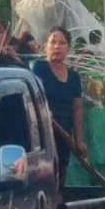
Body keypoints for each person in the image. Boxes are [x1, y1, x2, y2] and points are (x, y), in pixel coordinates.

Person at [32, 27, 87, 187]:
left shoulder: (74, 76)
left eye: (62, 43)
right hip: (43, 133)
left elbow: (77, 109)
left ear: (68, 48)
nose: (57, 47)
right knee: (44, 177)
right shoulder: (39, 68)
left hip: (65, 135)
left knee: (60, 178)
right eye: (53, 42)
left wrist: (79, 140)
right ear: (45, 46)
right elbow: (33, 99)